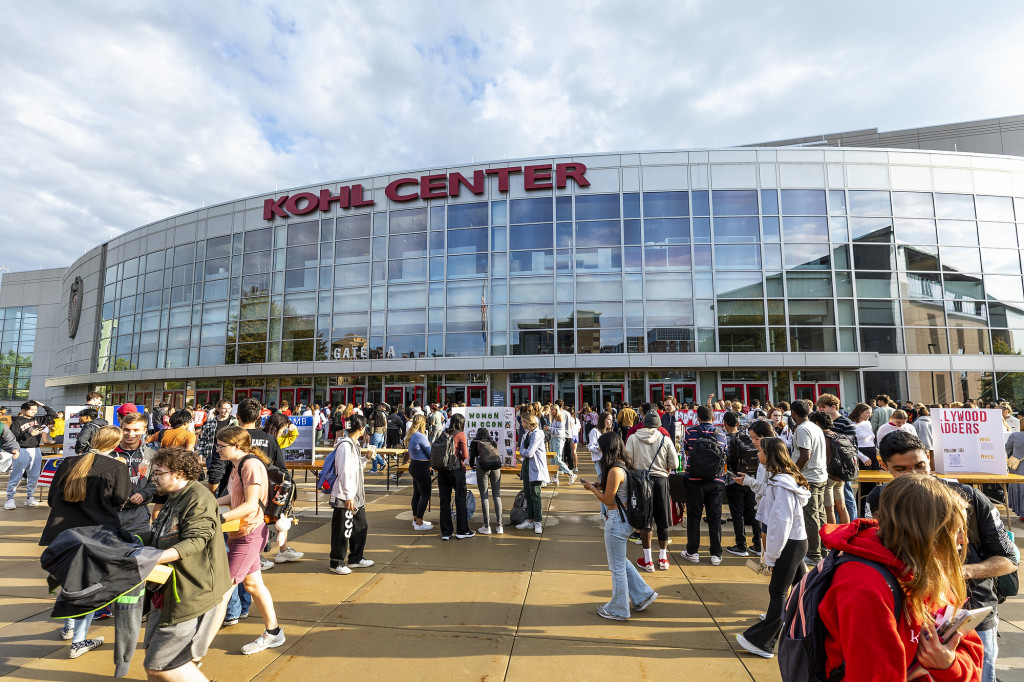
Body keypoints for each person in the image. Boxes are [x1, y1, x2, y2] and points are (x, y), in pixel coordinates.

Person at [864, 430, 1017, 681]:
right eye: (901, 469)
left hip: (972, 610)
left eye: (920, 465)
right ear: (884, 466)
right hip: (912, 615)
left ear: (930, 459)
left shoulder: (968, 496)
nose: (914, 475)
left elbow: (1008, 560)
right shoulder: (880, 498)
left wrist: (958, 572)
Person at [814, 475, 984, 680]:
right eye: (955, 531)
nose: (963, 540)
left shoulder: (929, 567)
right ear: (925, 532)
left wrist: (949, 664)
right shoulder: (864, 586)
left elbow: (970, 648)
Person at [39, 425, 130, 657]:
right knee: (89, 589)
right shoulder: (117, 466)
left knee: (69, 583)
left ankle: (68, 627)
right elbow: (121, 499)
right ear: (114, 444)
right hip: (96, 535)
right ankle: (78, 640)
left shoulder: (69, 462)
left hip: (61, 533)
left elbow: (51, 498)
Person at [143, 446, 232, 680]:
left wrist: (152, 558)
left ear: (179, 473)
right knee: (154, 657)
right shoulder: (174, 497)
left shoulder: (197, 497)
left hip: (192, 591)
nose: (154, 478)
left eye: (159, 472)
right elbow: (162, 534)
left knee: (161, 664)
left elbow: (196, 540)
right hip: (169, 588)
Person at [735, 436, 809, 658]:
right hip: (795, 542)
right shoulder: (784, 479)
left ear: (769, 455)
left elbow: (780, 523)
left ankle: (763, 643)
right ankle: (812, 626)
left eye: (759, 451)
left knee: (778, 591)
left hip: (789, 543)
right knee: (802, 589)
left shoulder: (782, 484)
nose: (757, 454)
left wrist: (771, 557)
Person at [214, 426, 285, 655]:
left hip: (249, 534)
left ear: (236, 446)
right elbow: (233, 498)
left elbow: (251, 505)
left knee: (222, 592)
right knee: (254, 585)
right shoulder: (237, 465)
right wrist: (209, 505)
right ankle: (273, 633)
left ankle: (195, 650)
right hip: (241, 532)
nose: (217, 450)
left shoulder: (250, 465)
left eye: (221, 446)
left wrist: (217, 516)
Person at [579, 432, 658, 621]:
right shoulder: (624, 466)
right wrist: (600, 486)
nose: (599, 451)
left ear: (608, 449)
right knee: (621, 561)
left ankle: (619, 608)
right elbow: (615, 492)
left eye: (601, 448)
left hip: (616, 519)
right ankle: (642, 594)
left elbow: (607, 500)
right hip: (624, 519)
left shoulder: (615, 470)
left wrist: (592, 488)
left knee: (616, 567)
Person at [626, 410, 679, 571]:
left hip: (641, 481)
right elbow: (675, 464)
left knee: (645, 521)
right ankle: (663, 558)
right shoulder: (665, 439)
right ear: (658, 425)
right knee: (662, 520)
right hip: (661, 480)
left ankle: (648, 560)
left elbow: (628, 460)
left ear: (644, 423)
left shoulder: (633, 438)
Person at [681, 405, 728, 565]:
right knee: (715, 517)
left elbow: (687, 452)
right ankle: (716, 554)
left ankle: (692, 551)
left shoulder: (690, 432)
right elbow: (724, 454)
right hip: (716, 480)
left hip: (694, 480)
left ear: (697, 418)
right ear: (713, 418)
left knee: (694, 516)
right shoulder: (721, 433)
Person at [328, 414, 375, 574]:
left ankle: (356, 557)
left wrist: (366, 459)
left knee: (360, 526)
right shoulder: (345, 446)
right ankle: (336, 562)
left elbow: (353, 467)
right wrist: (348, 496)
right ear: (361, 429)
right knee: (343, 529)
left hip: (355, 494)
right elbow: (344, 471)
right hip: (346, 495)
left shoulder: (353, 444)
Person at [790, 399, 827, 564]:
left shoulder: (803, 429)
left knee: (811, 516)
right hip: (819, 476)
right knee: (819, 514)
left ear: (793, 414)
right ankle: (823, 550)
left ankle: (814, 554)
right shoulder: (815, 427)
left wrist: (793, 473)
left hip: (809, 478)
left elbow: (805, 455)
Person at [7, 400, 59, 509]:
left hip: (36, 449)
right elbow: (13, 438)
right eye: (32, 410)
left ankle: (30, 496)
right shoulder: (17, 422)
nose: (34, 412)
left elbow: (54, 415)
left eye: (36, 409)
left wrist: (43, 405)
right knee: (17, 474)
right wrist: (29, 434)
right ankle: (10, 498)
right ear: (23, 410)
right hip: (21, 449)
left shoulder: (38, 419)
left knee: (34, 475)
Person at [723, 411, 760, 557]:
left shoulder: (724, 438)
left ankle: (741, 545)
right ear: (738, 423)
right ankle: (757, 544)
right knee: (754, 512)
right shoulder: (747, 437)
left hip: (734, 479)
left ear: (725, 424)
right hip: (751, 479)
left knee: (737, 513)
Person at [114, 412, 157, 535]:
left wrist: (144, 494)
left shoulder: (151, 455)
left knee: (140, 551)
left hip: (139, 515)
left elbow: (155, 481)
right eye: (126, 429)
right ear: (121, 429)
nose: (130, 434)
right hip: (110, 513)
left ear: (144, 430)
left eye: (136, 430)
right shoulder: (109, 453)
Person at [436, 413, 474, 540]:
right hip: (456, 469)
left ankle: (446, 532)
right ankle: (462, 530)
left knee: (444, 501)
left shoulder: (443, 433)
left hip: (442, 470)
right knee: (460, 499)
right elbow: (465, 455)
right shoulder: (460, 434)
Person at [808, 411, 849, 526]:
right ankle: (846, 534)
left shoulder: (822, 437)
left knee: (829, 510)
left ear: (816, 423)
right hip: (840, 476)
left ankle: (831, 538)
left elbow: (821, 458)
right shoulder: (836, 435)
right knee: (842, 507)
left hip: (828, 476)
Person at [196, 400, 238, 493]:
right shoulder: (211, 423)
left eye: (229, 408)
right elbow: (203, 439)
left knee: (227, 476)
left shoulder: (235, 422)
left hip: (230, 454)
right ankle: (213, 496)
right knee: (213, 476)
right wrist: (200, 454)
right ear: (218, 408)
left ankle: (222, 496)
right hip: (213, 453)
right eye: (224, 408)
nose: (226, 411)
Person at [517, 414, 549, 534]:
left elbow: (529, 452)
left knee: (535, 495)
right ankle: (530, 519)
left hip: (535, 467)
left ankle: (538, 521)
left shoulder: (537, 434)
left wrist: (522, 451)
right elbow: (525, 451)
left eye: (523, 422)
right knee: (528, 493)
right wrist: (523, 451)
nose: (521, 424)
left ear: (527, 422)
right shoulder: (527, 434)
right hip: (527, 466)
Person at [469, 427, 503, 535]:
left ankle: (487, 526)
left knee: (484, 496)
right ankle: (499, 526)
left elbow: (472, 458)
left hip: (482, 467)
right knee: (497, 495)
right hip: (496, 467)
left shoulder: (475, 442)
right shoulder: (492, 442)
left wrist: (472, 466)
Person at [403, 414, 433, 531]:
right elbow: (430, 453)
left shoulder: (411, 435)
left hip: (414, 465)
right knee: (425, 494)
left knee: (417, 493)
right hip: (422, 467)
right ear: (422, 423)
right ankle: (419, 522)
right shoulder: (420, 436)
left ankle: (416, 519)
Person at [588, 411, 615, 515]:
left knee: (607, 486)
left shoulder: (609, 432)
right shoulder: (595, 431)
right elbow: (590, 446)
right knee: (604, 486)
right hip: (600, 462)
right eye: (608, 419)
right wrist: (599, 448)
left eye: (611, 420)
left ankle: (604, 511)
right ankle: (604, 512)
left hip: (609, 462)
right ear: (602, 420)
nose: (610, 422)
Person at [546, 403, 575, 484]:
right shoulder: (554, 418)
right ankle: (555, 477)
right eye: (550, 409)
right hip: (553, 438)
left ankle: (570, 473)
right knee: (553, 459)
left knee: (557, 459)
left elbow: (560, 431)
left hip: (558, 439)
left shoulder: (560, 417)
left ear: (556, 410)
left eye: (552, 409)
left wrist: (549, 428)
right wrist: (549, 429)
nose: (551, 411)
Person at [367, 405, 388, 472]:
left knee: (373, 452)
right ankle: (381, 463)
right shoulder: (382, 422)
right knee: (377, 452)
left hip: (375, 436)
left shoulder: (373, 422)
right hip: (381, 436)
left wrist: (367, 431)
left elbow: (372, 432)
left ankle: (375, 468)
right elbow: (384, 430)